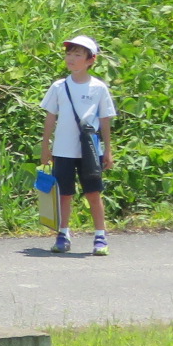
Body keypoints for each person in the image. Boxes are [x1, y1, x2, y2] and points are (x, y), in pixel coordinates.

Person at [41, 35, 116, 255]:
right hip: (63, 149)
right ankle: (63, 234)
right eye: (69, 53)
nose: (71, 59)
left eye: (77, 55)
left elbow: (105, 120)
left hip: (90, 151)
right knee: (64, 193)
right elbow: (50, 117)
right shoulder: (59, 86)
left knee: (93, 193)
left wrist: (108, 151)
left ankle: (100, 237)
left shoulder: (98, 88)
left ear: (91, 60)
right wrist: (46, 146)